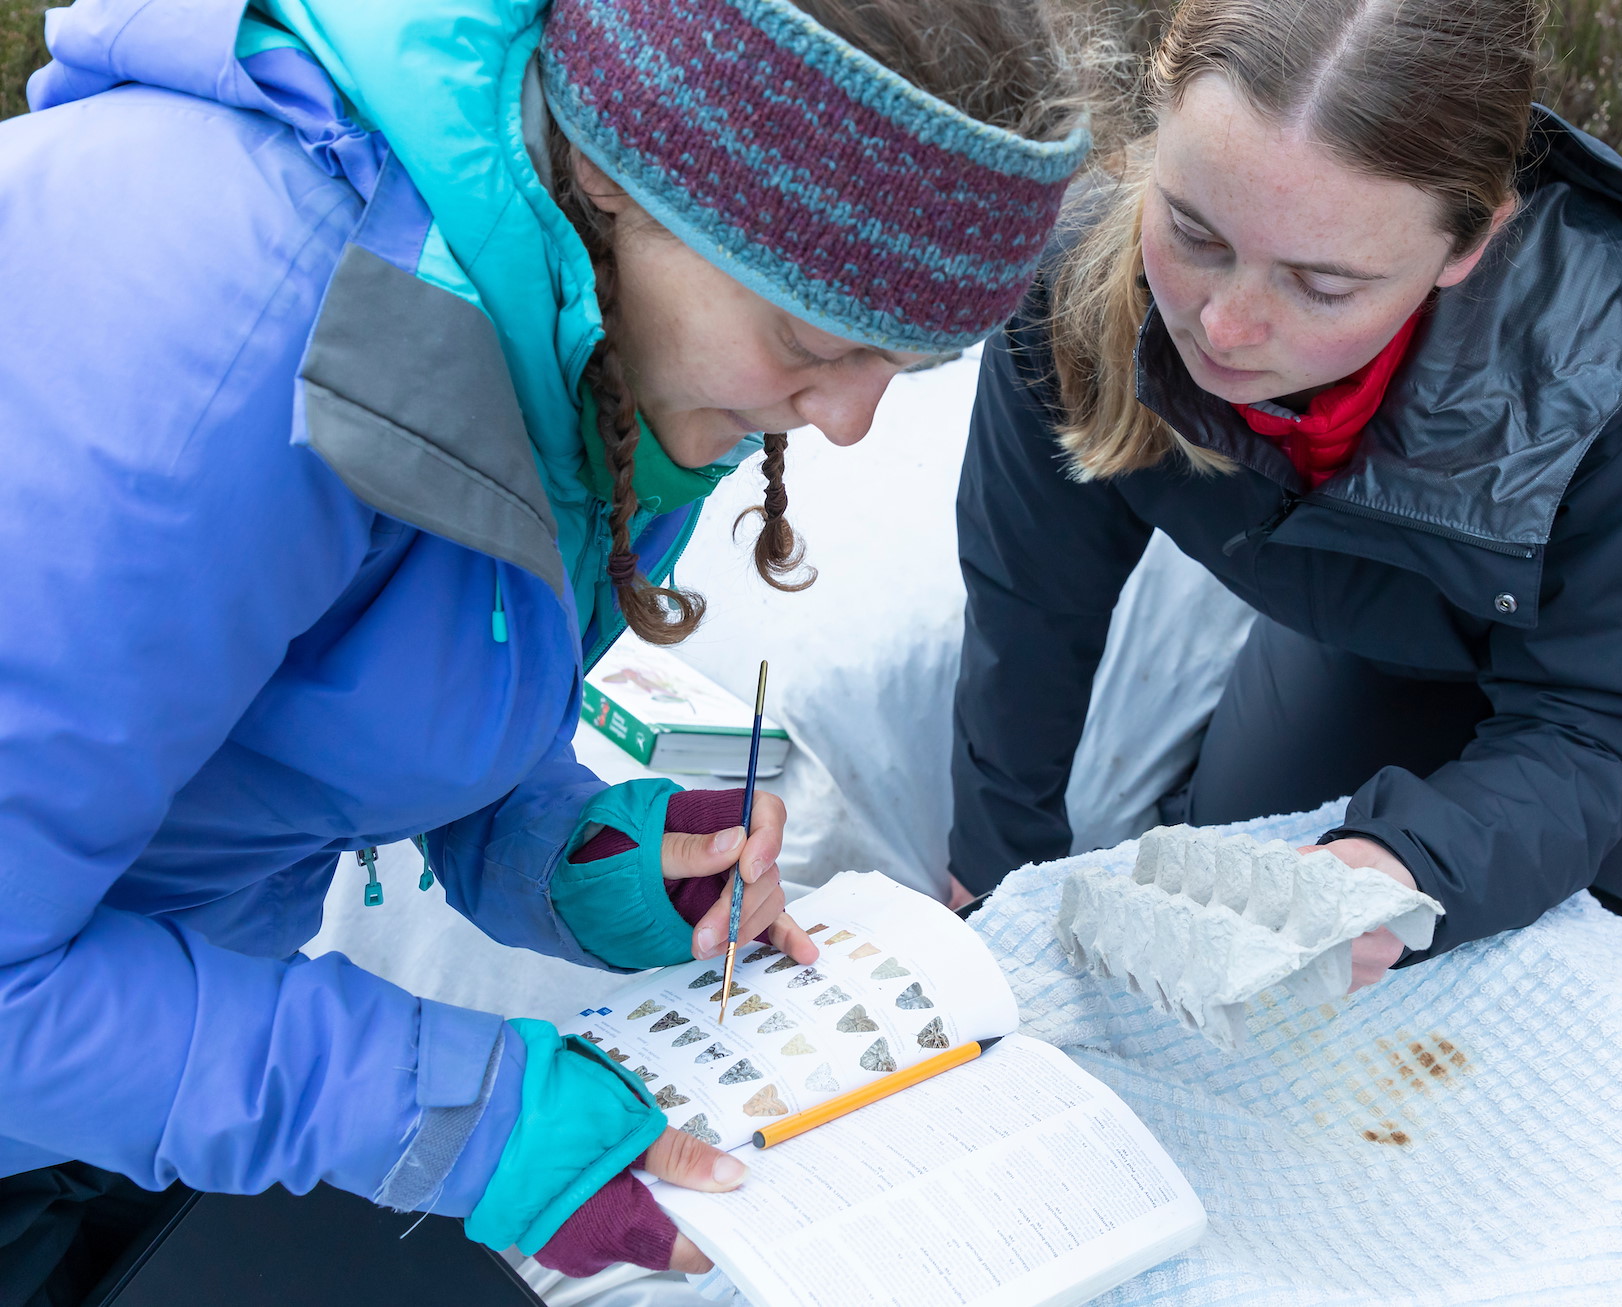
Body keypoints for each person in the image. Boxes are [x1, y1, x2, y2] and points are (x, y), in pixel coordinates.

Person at [0, 0, 1089, 1295]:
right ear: (622, 173)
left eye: (908, 364)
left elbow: (347, 685)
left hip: (138, 1042)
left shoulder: (596, 319)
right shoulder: (226, 345)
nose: (848, 422)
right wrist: (458, 1111)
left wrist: (573, 850)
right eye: (815, 340)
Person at [949, 0, 1622, 986]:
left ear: (1467, 246)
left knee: (1557, 981)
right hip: (1392, 606)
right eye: (1194, 232)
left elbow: (1603, 723)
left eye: (1322, 286)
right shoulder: (1074, 295)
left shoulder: (1620, 379)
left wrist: (1400, 863)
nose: (1224, 326)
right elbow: (1030, 605)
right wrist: (992, 876)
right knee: (1239, 886)